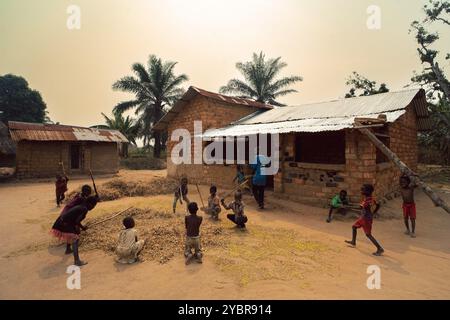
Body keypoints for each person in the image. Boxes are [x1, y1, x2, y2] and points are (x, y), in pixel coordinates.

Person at [50, 196, 98, 266]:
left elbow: (75, 220)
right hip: (64, 223)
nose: (93, 208)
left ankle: (68, 249)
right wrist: (83, 227)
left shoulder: (82, 205)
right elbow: (77, 221)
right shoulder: (84, 209)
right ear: (90, 204)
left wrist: (77, 229)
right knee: (75, 239)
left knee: (73, 234)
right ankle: (77, 261)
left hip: (62, 221)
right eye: (93, 206)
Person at [345, 184, 384, 256]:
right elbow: (378, 205)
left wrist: (349, 207)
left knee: (368, 234)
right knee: (354, 227)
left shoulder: (367, 201)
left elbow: (361, 207)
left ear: (368, 191)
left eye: (362, 190)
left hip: (366, 220)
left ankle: (380, 248)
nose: (361, 191)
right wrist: (374, 213)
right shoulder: (370, 199)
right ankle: (353, 242)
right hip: (364, 218)